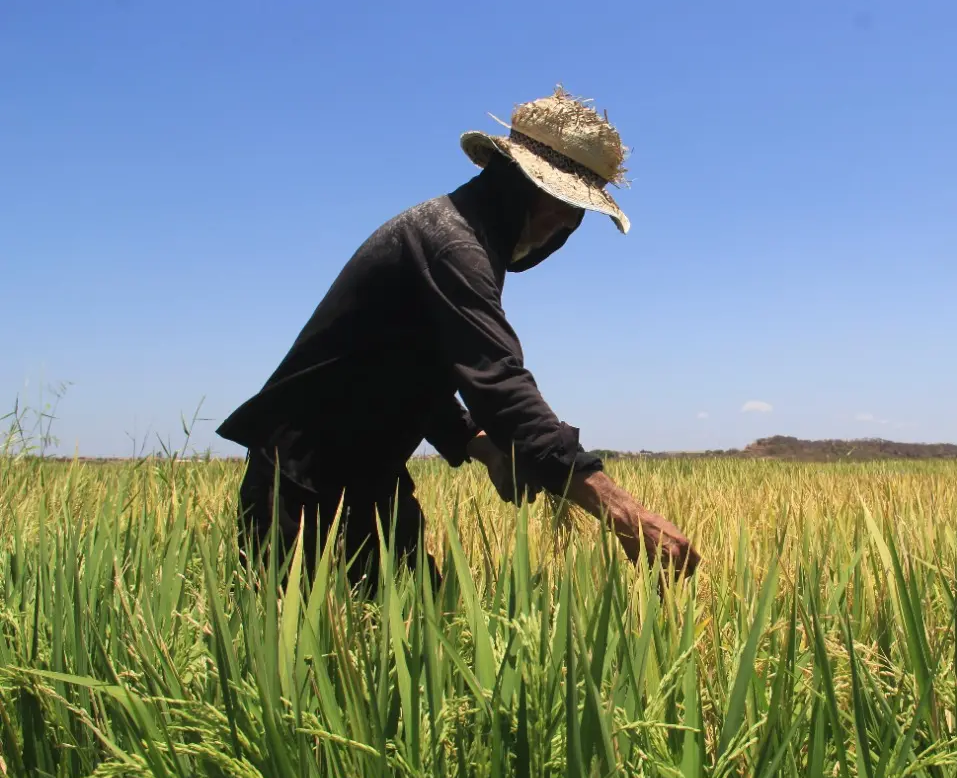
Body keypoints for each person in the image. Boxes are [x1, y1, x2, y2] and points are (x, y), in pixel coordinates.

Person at [216, 86, 701, 591]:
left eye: (576, 213)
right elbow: (498, 381)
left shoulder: (466, 238)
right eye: (558, 203)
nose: (564, 223)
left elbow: (403, 370)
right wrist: (625, 513)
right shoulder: (453, 244)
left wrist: (481, 445)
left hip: (371, 477)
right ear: (515, 181)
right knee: (299, 654)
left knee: (417, 627)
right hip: (303, 483)